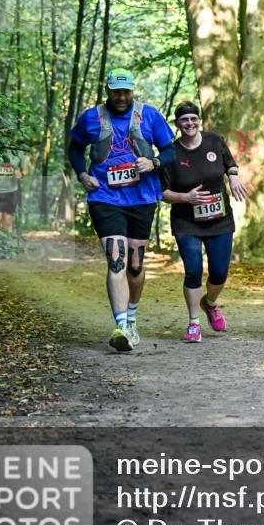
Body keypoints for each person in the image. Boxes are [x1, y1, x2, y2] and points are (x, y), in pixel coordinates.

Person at [68, 68, 176, 352]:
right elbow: (75, 149)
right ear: (108, 91)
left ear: (133, 91)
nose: (121, 97)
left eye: (126, 91)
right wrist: (82, 175)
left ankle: (132, 315)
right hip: (104, 197)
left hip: (141, 198)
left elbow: (170, 151)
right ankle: (121, 325)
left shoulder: (149, 115)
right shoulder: (92, 117)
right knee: (116, 259)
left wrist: (153, 162)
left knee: (135, 265)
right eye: (116, 91)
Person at [161, 100, 250, 342]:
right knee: (193, 271)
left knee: (219, 273)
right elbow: (162, 192)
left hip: (219, 220)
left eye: (193, 119)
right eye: (184, 120)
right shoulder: (170, 152)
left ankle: (209, 303)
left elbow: (230, 165)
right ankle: (193, 324)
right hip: (186, 222)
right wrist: (185, 197)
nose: (189, 123)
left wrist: (233, 179)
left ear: (199, 120)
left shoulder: (214, 141)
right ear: (177, 123)